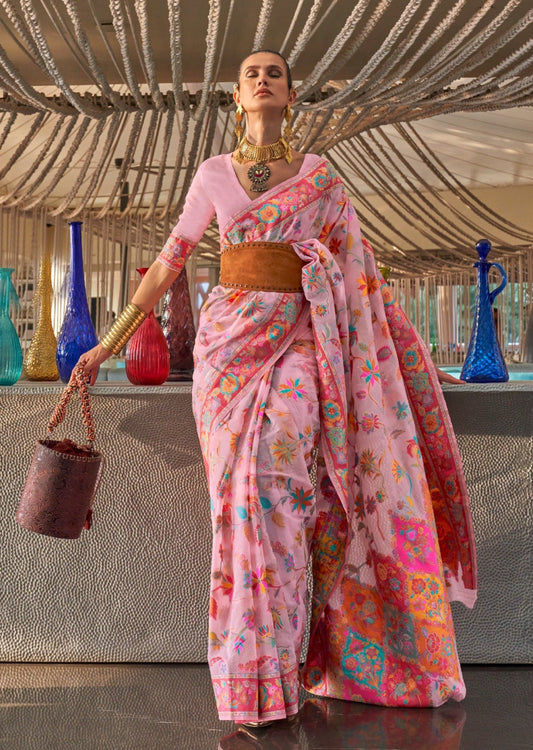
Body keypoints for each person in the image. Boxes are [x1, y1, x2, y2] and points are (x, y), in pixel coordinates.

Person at [78, 50, 477, 729]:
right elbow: (171, 259)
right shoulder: (212, 174)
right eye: (250, 74)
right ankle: (249, 685)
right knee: (236, 504)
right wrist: (107, 343)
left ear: (290, 96)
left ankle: (286, 671)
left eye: (274, 74)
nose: (262, 79)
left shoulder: (321, 179)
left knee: (278, 495)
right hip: (227, 350)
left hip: (299, 344)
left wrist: (400, 355)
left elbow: (362, 277)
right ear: (237, 97)